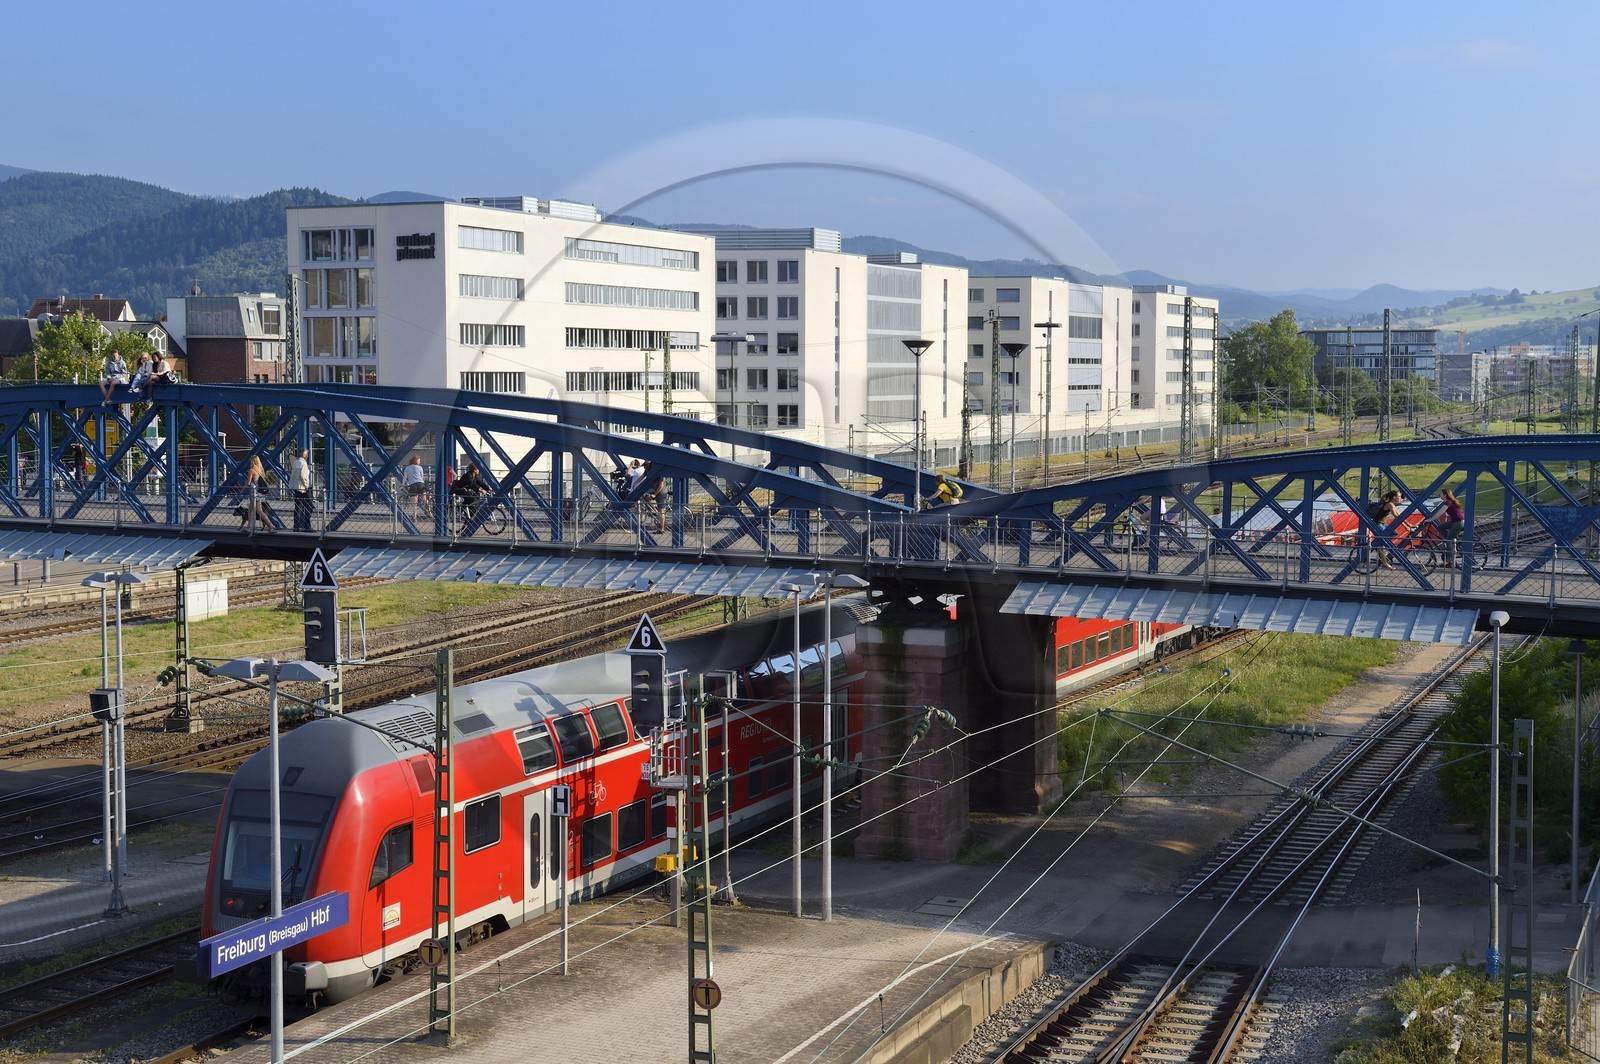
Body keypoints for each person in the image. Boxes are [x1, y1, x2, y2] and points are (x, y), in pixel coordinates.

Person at [1365, 489, 1403, 569]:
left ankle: (1379, 547)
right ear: (1394, 497)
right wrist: (1407, 526)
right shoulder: (1390, 505)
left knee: (1394, 534)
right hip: (1377, 523)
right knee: (1382, 541)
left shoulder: (1392, 504)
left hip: (1382, 524)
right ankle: (1384, 563)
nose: (1400, 498)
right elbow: (1396, 517)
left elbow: (1400, 516)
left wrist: (1409, 525)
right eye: (1399, 496)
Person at [239, 454, 274, 531]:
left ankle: (271, 525)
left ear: (252, 461)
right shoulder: (260, 470)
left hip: (255, 493)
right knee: (251, 509)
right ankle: (249, 527)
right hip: (259, 493)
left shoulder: (251, 470)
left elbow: (248, 483)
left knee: (259, 511)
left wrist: (242, 490)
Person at [1433, 488, 1465, 567]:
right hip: (1456, 522)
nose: (1440, 495)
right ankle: (1450, 542)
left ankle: (1450, 560)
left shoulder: (1448, 502)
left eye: (1441, 494)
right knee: (1440, 527)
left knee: (1448, 540)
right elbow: (1444, 514)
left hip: (1458, 523)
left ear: (1445, 495)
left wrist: (1431, 519)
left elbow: (1439, 512)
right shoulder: (1448, 502)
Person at [290, 449, 313, 531]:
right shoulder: (303, 463)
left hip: (296, 488)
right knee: (309, 506)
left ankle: (296, 526)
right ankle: (307, 525)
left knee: (298, 507)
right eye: (307, 454)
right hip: (303, 488)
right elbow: (304, 476)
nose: (307, 456)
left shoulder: (296, 462)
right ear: (304, 455)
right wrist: (307, 486)